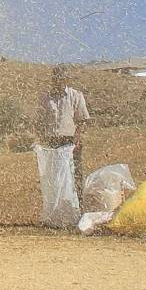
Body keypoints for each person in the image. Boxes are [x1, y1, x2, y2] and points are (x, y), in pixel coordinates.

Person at [37, 64, 90, 195]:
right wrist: (40, 140)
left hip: (71, 141)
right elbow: (39, 120)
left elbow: (82, 121)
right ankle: (58, 208)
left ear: (66, 79)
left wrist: (76, 140)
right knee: (55, 177)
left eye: (61, 78)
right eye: (55, 78)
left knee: (73, 176)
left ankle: (78, 207)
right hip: (52, 142)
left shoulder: (75, 95)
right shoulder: (46, 98)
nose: (58, 81)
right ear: (52, 79)